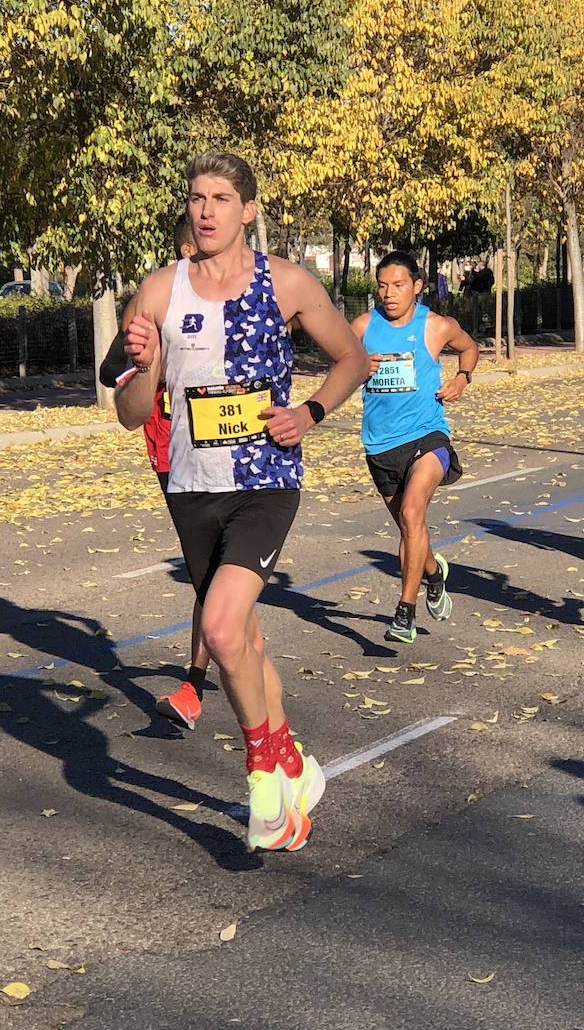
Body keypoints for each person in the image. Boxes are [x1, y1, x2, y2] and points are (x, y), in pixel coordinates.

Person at [115, 152, 369, 852]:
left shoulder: (284, 281)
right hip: (191, 486)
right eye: (197, 197)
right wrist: (145, 365)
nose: (206, 210)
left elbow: (352, 357)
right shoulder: (160, 291)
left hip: (265, 479)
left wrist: (312, 412)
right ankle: (295, 761)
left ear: (247, 210)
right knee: (246, 640)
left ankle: (264, 780)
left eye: (221, 198)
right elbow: (132, 412)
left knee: (223, 628)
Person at [103, 216, 214, 730]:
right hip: (172, 452)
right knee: (208, 575)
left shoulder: (233, 299)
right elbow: (109, 372)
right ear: (187, 247)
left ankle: (197, 685)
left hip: (230, 450)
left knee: (215, 577)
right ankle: (203, 683)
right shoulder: (154, 300)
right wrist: (149, 358)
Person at [350, 251, 478, 643]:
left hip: (427, 436)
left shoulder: (436, 326)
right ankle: (435, 575)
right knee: (410, 527)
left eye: (398, 285)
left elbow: (470, 348)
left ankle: (405, 612)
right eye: (383, 286)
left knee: (411, 511)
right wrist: (356, 366)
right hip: (379, 445)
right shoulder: (362, 326)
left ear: (417, 287)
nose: (389, 294)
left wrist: (462, 378)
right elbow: (338, 361)